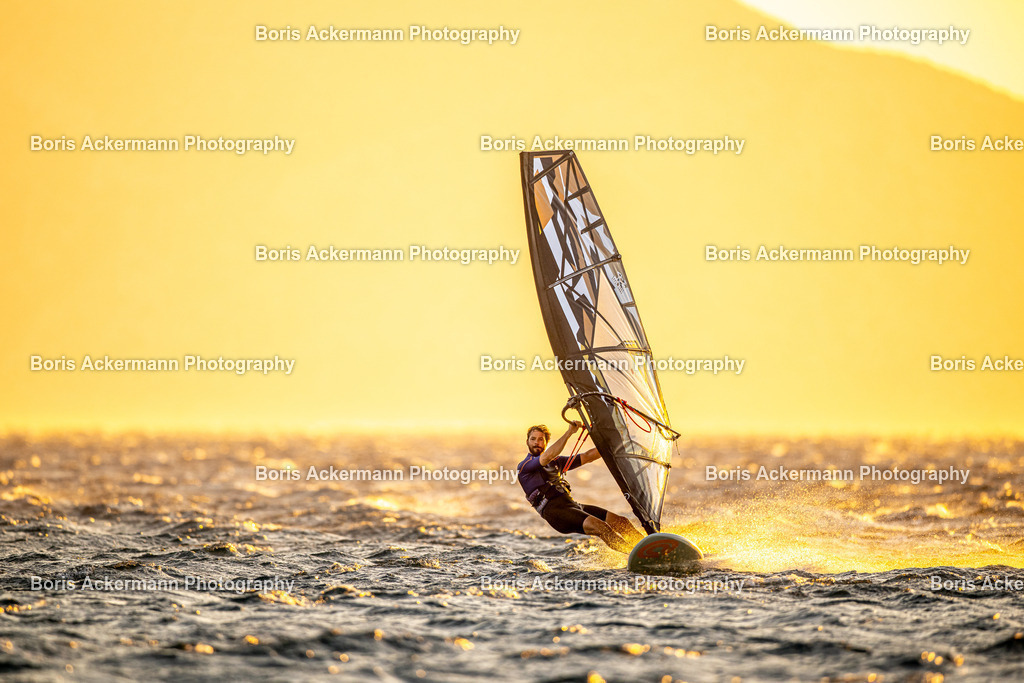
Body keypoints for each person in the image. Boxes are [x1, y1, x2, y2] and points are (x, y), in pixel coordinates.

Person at [517, 422, 644, 553]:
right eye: (533, 439)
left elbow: (589, 456)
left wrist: (617, 441)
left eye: (540, 439)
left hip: (573, 506)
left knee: (620, 522)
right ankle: (637, 555)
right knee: (601, 528)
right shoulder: (524, 466)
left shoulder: (557, 462)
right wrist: (569, 433)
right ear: (527, 442)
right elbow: (546, 456)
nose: (536, 442)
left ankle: (649, 545)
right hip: (555, 513)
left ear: (546, 442)